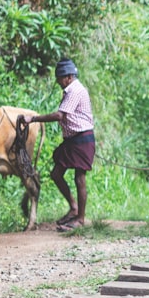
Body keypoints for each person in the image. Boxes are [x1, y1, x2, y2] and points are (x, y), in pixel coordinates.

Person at [20, 59, 95, 232]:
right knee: (56, 174)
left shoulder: (74, 90)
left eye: (60, 78)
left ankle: (81, 219)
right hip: (73, 140)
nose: (58, 82)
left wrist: (34, 119)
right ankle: (74, 208)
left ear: (68, 77)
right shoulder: (70, 89)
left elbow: (59, 116)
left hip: (82, 138)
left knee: (79, 178)